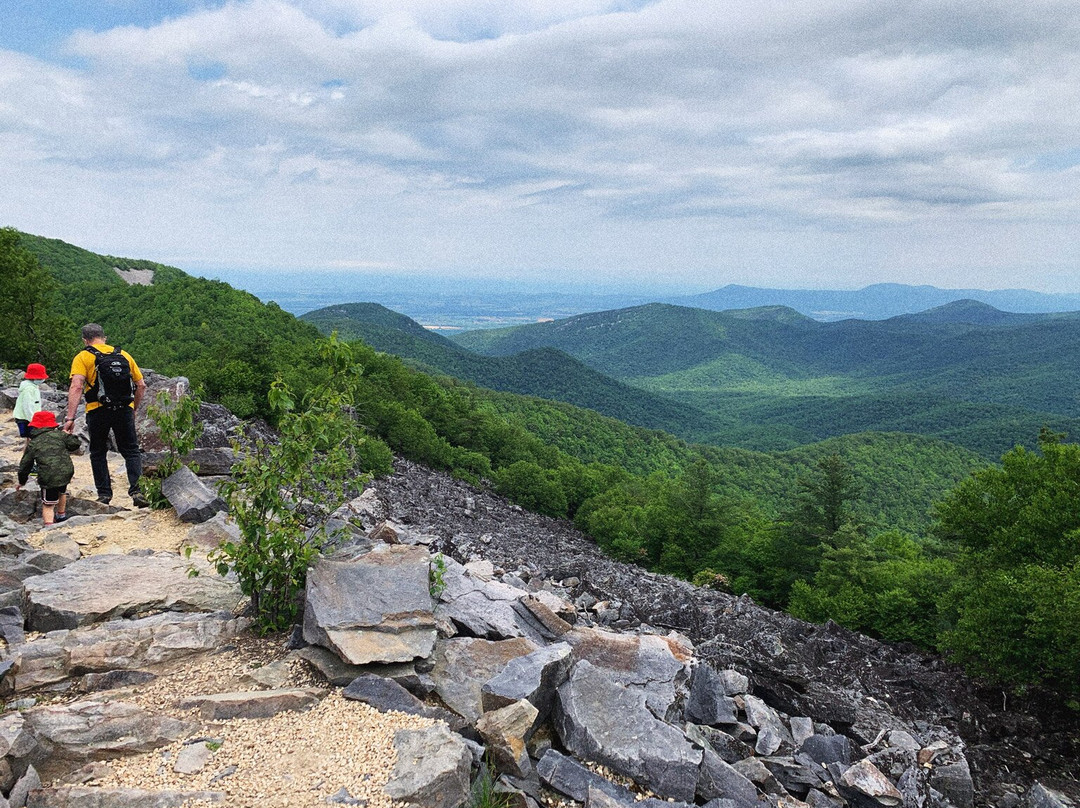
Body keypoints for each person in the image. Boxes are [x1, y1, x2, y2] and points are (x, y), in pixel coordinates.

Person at [63, 323, 149, 507]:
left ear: (85, 340)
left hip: (97, 409)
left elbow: (77, 386)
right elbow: (141, 385)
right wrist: (133, 409)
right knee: (131, 451)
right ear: (104, 338)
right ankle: (137, 491)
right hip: (124, 409)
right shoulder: (123, 355)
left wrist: (70, 418)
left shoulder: (83, 356)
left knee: (98, 452)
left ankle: (104, 495)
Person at [17, 410, 81, 526]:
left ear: (35, 426)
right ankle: (61, 515)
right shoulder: (60, 435)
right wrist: (68, 434)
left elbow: (25, 465)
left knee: (48, 504)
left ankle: (49, 525)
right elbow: (75, 445)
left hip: (48, 476)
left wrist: (22, 481)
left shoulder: (34, 443)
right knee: (61, 492)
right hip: (65, 472)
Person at [13, 363, 48, 444]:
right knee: (32, 438)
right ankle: (28, 451)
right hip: (26, 418)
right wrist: (33, 421)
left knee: (30, 439)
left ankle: (28, 450)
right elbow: (27, 406)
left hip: (29, 417)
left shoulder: (33, 387)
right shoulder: (28, 389)